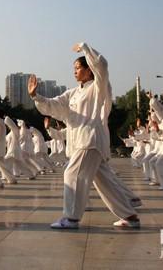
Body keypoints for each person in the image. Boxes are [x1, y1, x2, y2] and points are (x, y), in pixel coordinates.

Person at [28, 42, 140, 229]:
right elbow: (53, 105)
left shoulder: (98, 87)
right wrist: (35, 96)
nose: (75, 71)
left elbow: (102, 66)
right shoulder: (72, 93)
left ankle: (71, 218)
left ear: (89, 70)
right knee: (105, 183)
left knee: (72, 174)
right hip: (82, 142)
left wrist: (86, 49)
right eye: (74, 68)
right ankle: (130, 216)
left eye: (78, 68)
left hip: (90, 140)